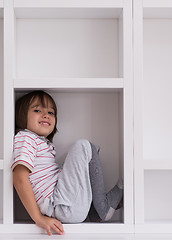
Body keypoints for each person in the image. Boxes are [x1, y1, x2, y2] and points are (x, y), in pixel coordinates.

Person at [12, 90, 123, 235]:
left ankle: (95, 212)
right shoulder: (25, 137)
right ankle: (104, 208)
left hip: (63, 206)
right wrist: (38, 218)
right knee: (82, 146)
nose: (46, 115)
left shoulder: (41, 143)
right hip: (60, 207)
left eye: (51, 113)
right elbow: (19, 178)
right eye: (37, 110)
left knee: (76, 158)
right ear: (21, 115)